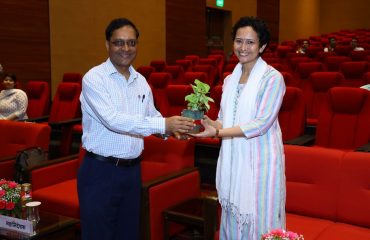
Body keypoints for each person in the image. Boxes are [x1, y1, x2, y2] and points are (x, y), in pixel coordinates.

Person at [77, 18, 194, 240]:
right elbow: (113, 120)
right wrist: (164, 124)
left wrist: (172, 130)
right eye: (119, 43)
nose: (126, 49)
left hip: (132, 172)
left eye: (131, 43)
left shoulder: (141, 81)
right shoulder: (94, 79)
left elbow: (151, 115)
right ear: (107, 45)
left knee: (129, 233)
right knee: (98, 234)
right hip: (101, 172)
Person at [191, 16, 286, 239]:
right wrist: (209, 123)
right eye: (238, 41)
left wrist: (218, 132)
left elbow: (260, 124)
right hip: (234, 164)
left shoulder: (272, 79)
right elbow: (226, 120)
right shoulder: (230, 79)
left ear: (262, 46)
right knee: (232, 221)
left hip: (261, 166)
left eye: (250, 42)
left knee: (261, 222)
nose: (243, 48)